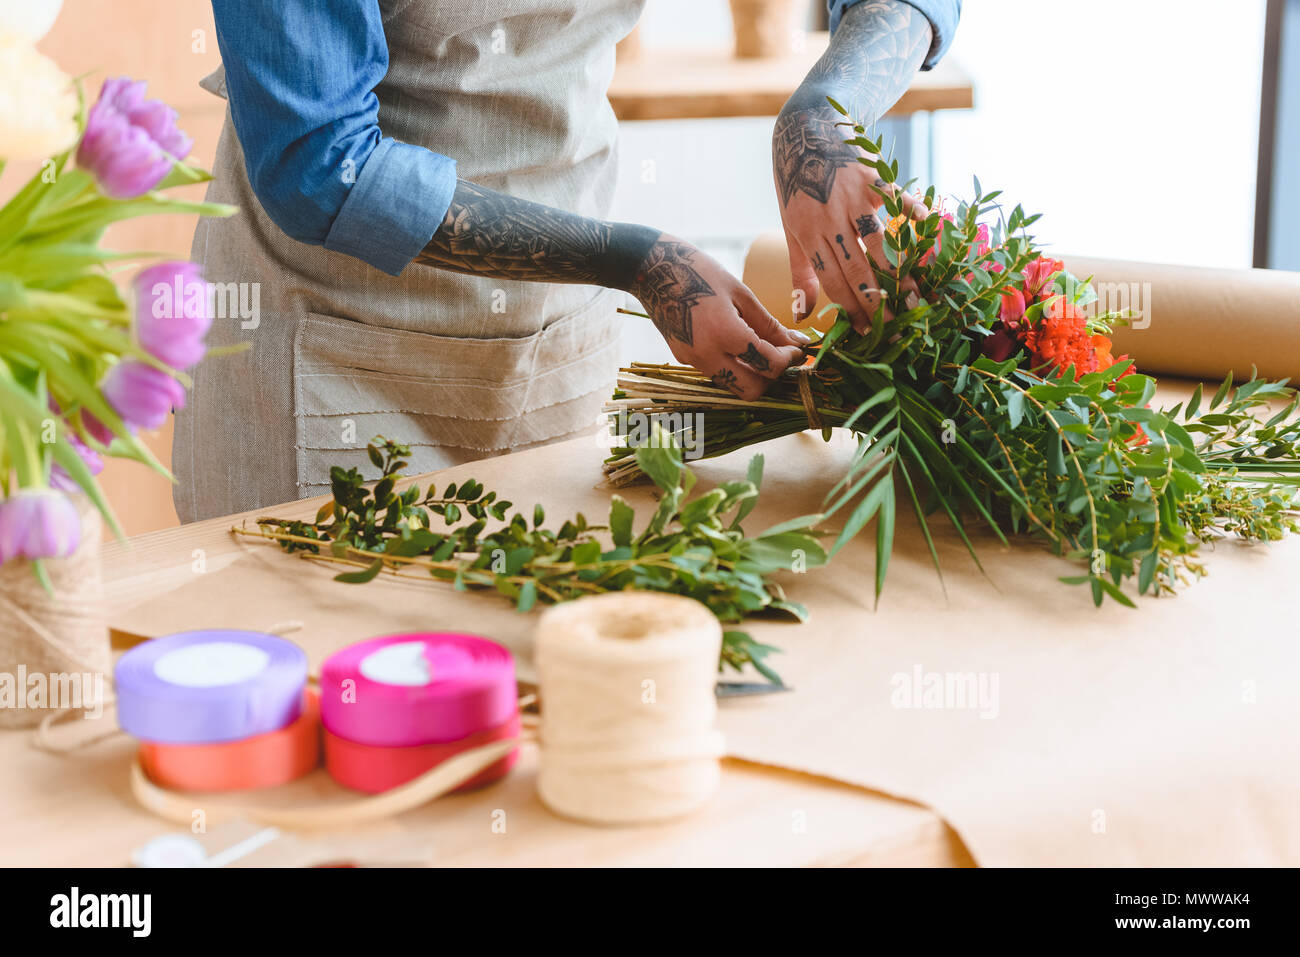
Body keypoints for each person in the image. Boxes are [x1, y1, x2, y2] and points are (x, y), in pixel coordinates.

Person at [176, 0, 960, 521]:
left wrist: (820, 118)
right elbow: (318, 163)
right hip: (336, 336)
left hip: (556, 330)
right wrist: (631, 259)